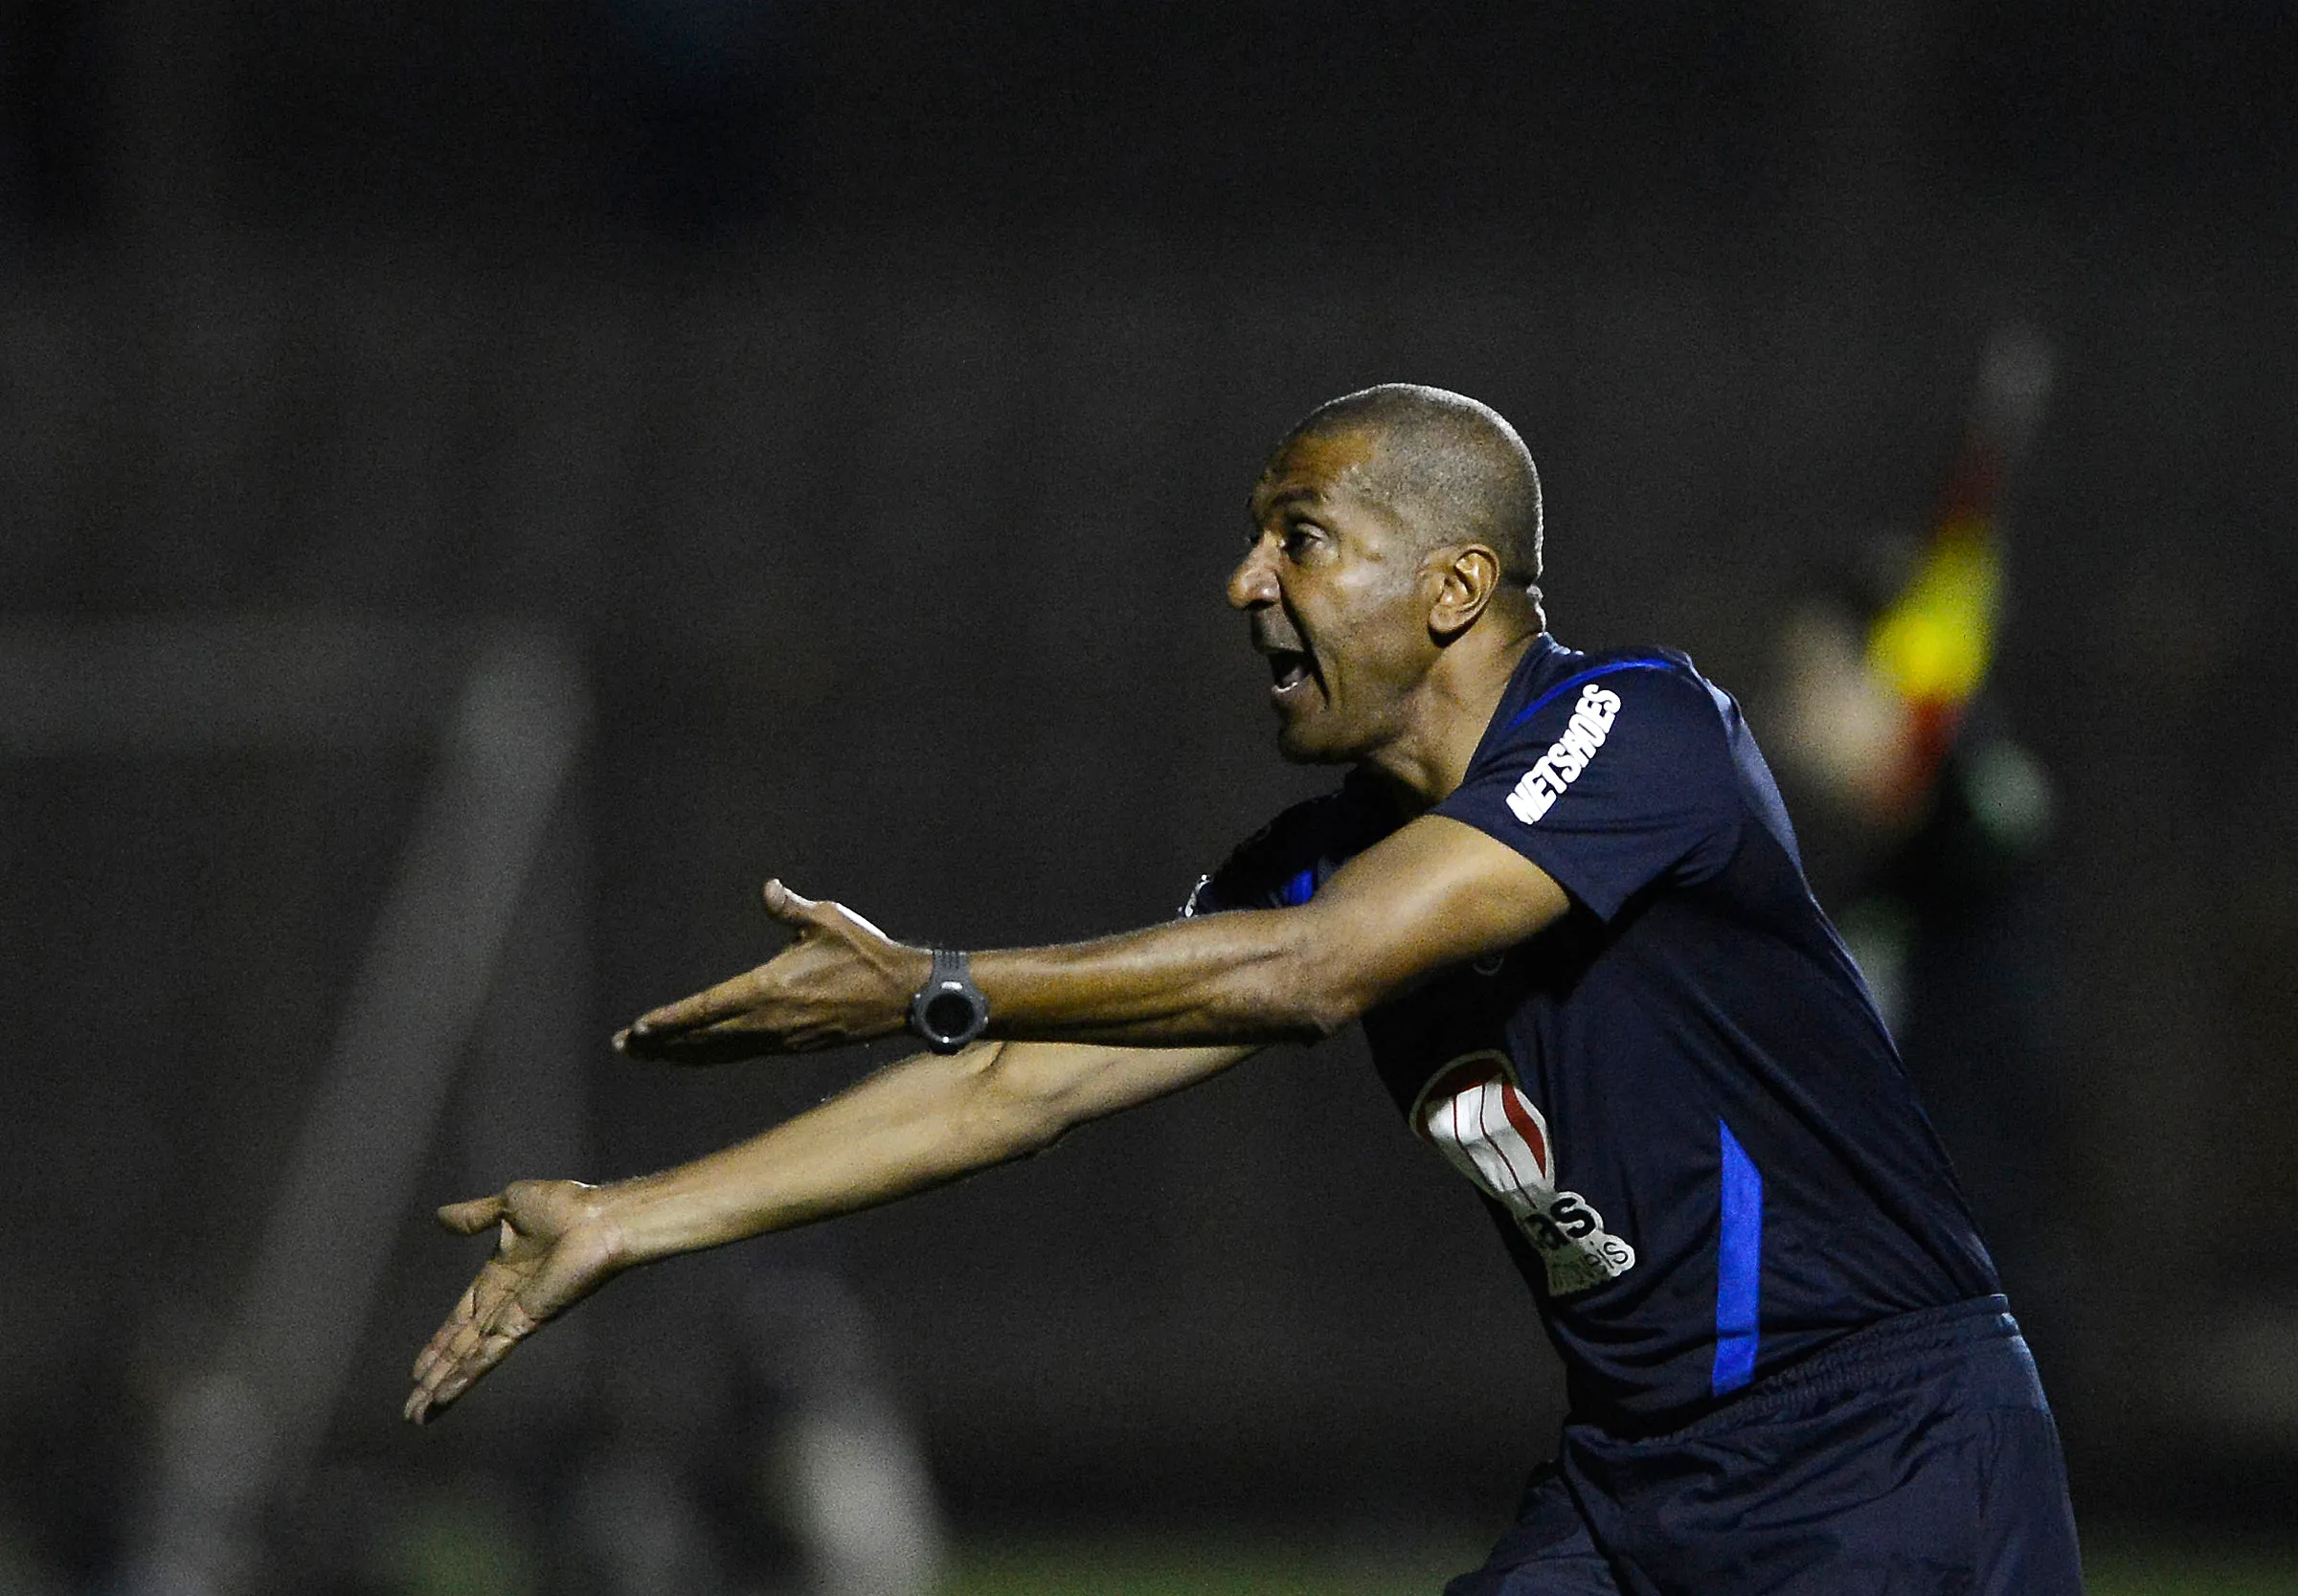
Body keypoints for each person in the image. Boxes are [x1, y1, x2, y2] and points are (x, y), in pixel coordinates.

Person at [406, 384, 2083, 1593]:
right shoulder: (1320, 850)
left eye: (1300, 539)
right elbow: (1019, 1079)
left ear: (1453, 590)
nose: (1245, 584)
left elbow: (1316, 974)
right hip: (1645, 1471)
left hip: (1886, 1448)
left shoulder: (1639, 731)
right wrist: (639, 1216)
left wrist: (930, 978)